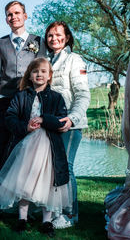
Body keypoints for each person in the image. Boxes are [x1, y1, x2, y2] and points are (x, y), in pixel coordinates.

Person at [0, 57, 71, 237]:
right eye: (35, 71)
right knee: (23, 181)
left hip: (49, 147)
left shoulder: (56, 98)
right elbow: (10, 117)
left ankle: (46, 221)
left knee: (48, 183)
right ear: (29, 75)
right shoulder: (21, 96)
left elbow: (60, 121)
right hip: (26, 145)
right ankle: (22, 218)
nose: (39, 74)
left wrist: (44, 119)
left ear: (50, 76)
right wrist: (25, 127)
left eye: (43, 71)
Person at [0, 1, 47, 195]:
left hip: (30, 103)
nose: (14, 17)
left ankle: (22, 202)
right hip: (5, 102)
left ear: (25, 16)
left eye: (17, 13)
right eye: (10, 14)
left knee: (26, 152)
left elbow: (44, 72)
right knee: (1, 150)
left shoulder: (39, 41)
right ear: (6, 19)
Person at [45, 21, 90, 229]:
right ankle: (55, 211)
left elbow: (82, 95)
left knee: (67, 168)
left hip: (69, 125)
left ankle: (71, 215)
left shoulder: (74, 60)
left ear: (67, 37)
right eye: (50, 35)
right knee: (53, 169)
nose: (54, 38)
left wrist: (72, 118)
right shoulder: (45, 60)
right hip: (50, 124)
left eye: (58, 35)